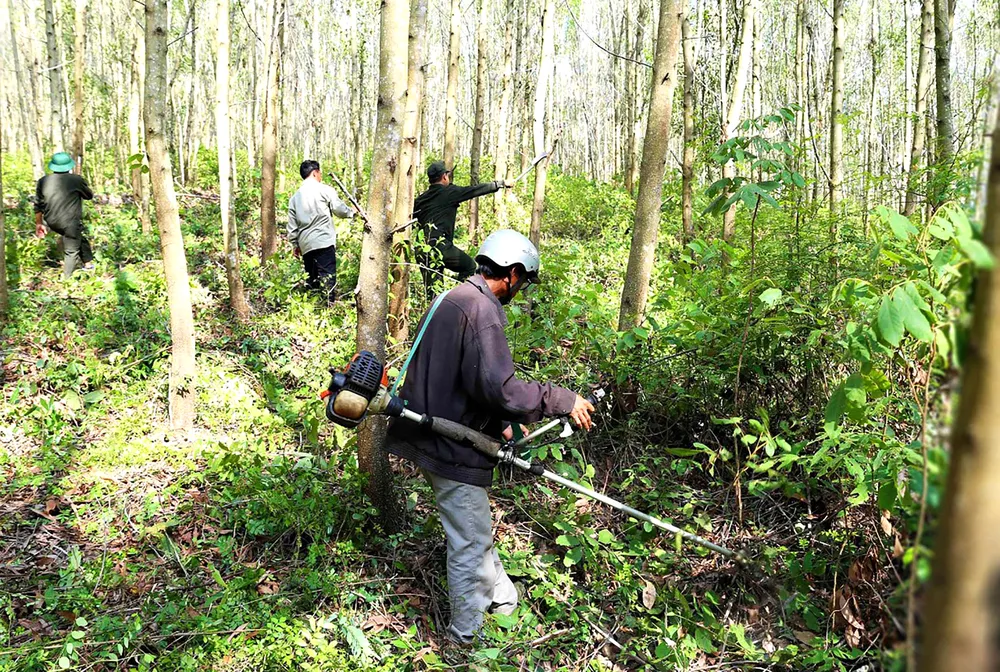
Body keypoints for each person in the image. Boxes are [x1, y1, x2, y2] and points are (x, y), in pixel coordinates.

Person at [387, 229, 595, 645]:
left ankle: (503, 601)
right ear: (513, 273)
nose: (520, 289)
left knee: (475, 529)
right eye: (524, 280)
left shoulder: (453, 297)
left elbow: (462, 378)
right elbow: (501, 387)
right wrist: (562, 398)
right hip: (447, 444)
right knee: (468, 540)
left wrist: (494, 421)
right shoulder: (481, 310)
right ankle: (465, 637)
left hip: (435, 430)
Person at [413, 161, 513, 296]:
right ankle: (457, 297)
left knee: (432, 295)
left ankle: (439, 308)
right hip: (440, 246)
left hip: (422, 249)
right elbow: (474, 190)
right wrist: (499, 184)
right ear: (444, 177)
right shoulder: (450, 192)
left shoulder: (420, 199)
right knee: (470, 267)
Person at [287, 159, 355, 302]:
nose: (321, 176)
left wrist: (295, 245)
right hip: (323, 241)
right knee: (327, 277)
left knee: (312, 279)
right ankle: (327, 309)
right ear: (315, 173)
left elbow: (292, 226)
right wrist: (352, 212)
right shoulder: (325, 190)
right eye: (319, 173)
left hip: (306, 244)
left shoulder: (294, 198)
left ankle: (313, 310)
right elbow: (339, 209)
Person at [34, 152, 94, 278]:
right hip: (70, 222)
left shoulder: (43, 181)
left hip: (51, 221)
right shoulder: (77, 180)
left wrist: (39, 223)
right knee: (71, 250)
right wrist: (79, 182)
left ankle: (88, 264)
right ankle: (67, 280)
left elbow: (38, 204)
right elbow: (89, 195)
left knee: (77, 237)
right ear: (69, 166)